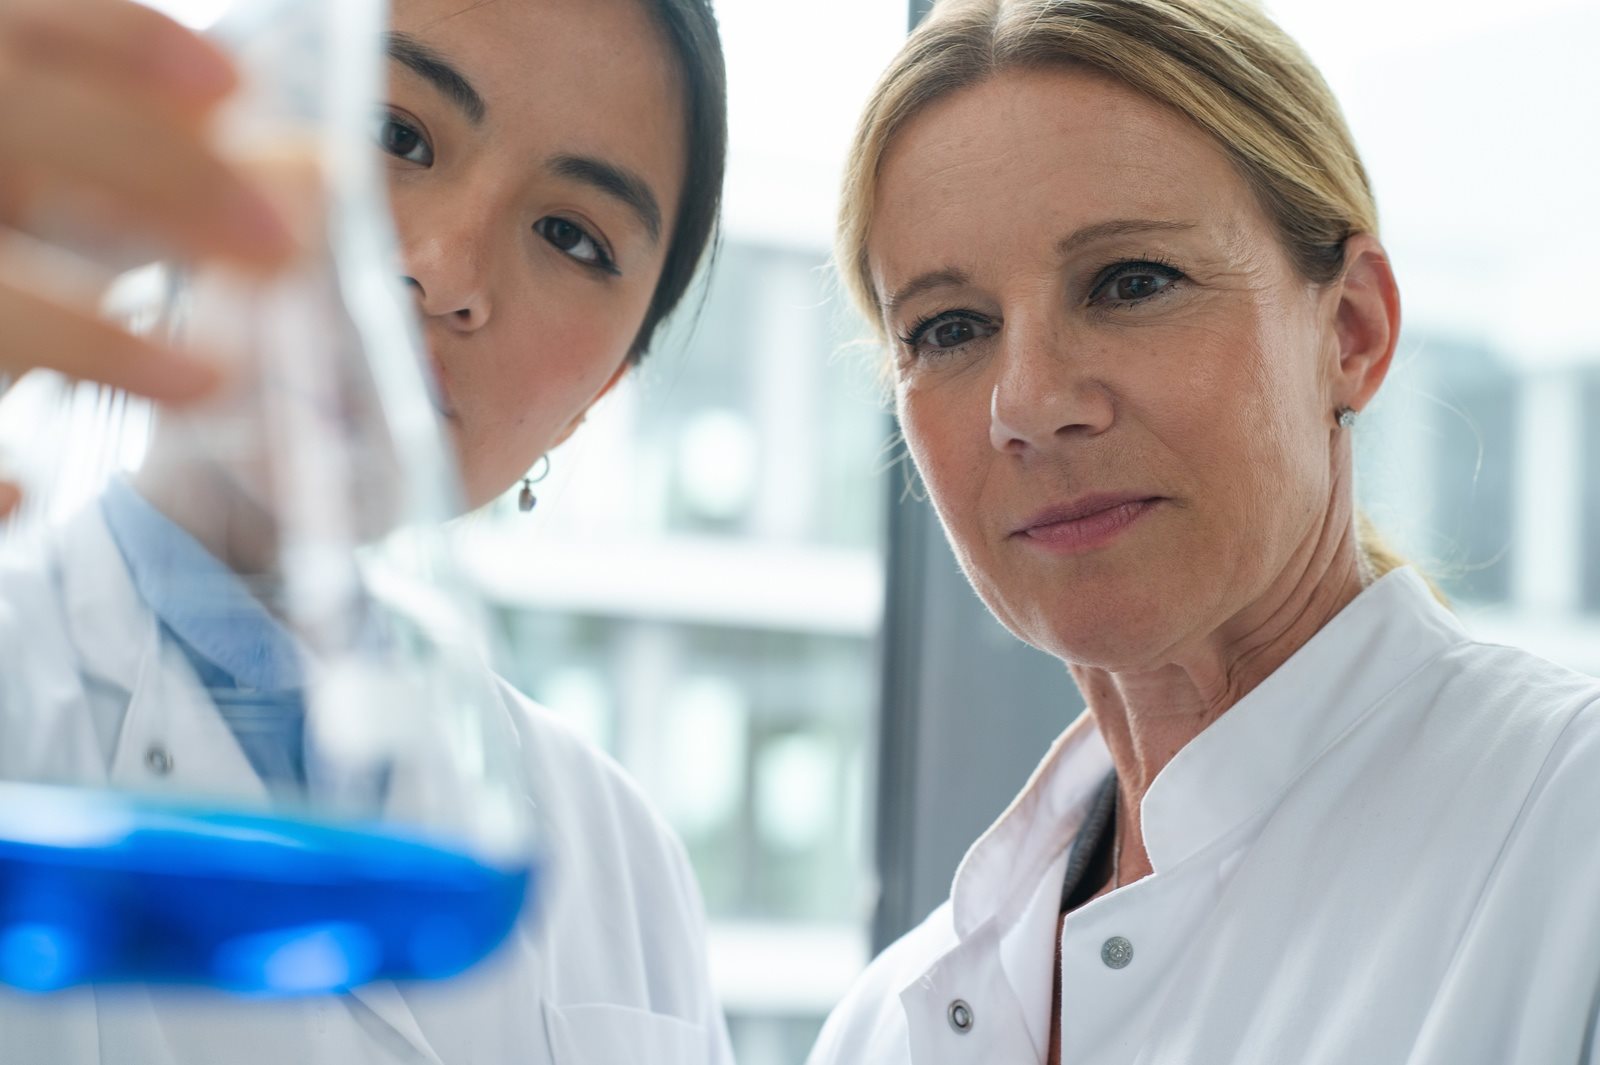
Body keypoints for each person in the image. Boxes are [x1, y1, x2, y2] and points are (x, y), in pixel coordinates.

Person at [807, 0, 1600, 1062]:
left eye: (1130, 282)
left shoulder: (1569, 838)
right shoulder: (881, 1025)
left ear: (1351, 331)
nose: (1029, 403)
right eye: (950, 329)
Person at [0, 1, 734, 1062]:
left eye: (570, 237)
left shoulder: (624, 864)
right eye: (396, 134)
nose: (442, 270)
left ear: (599, 395)